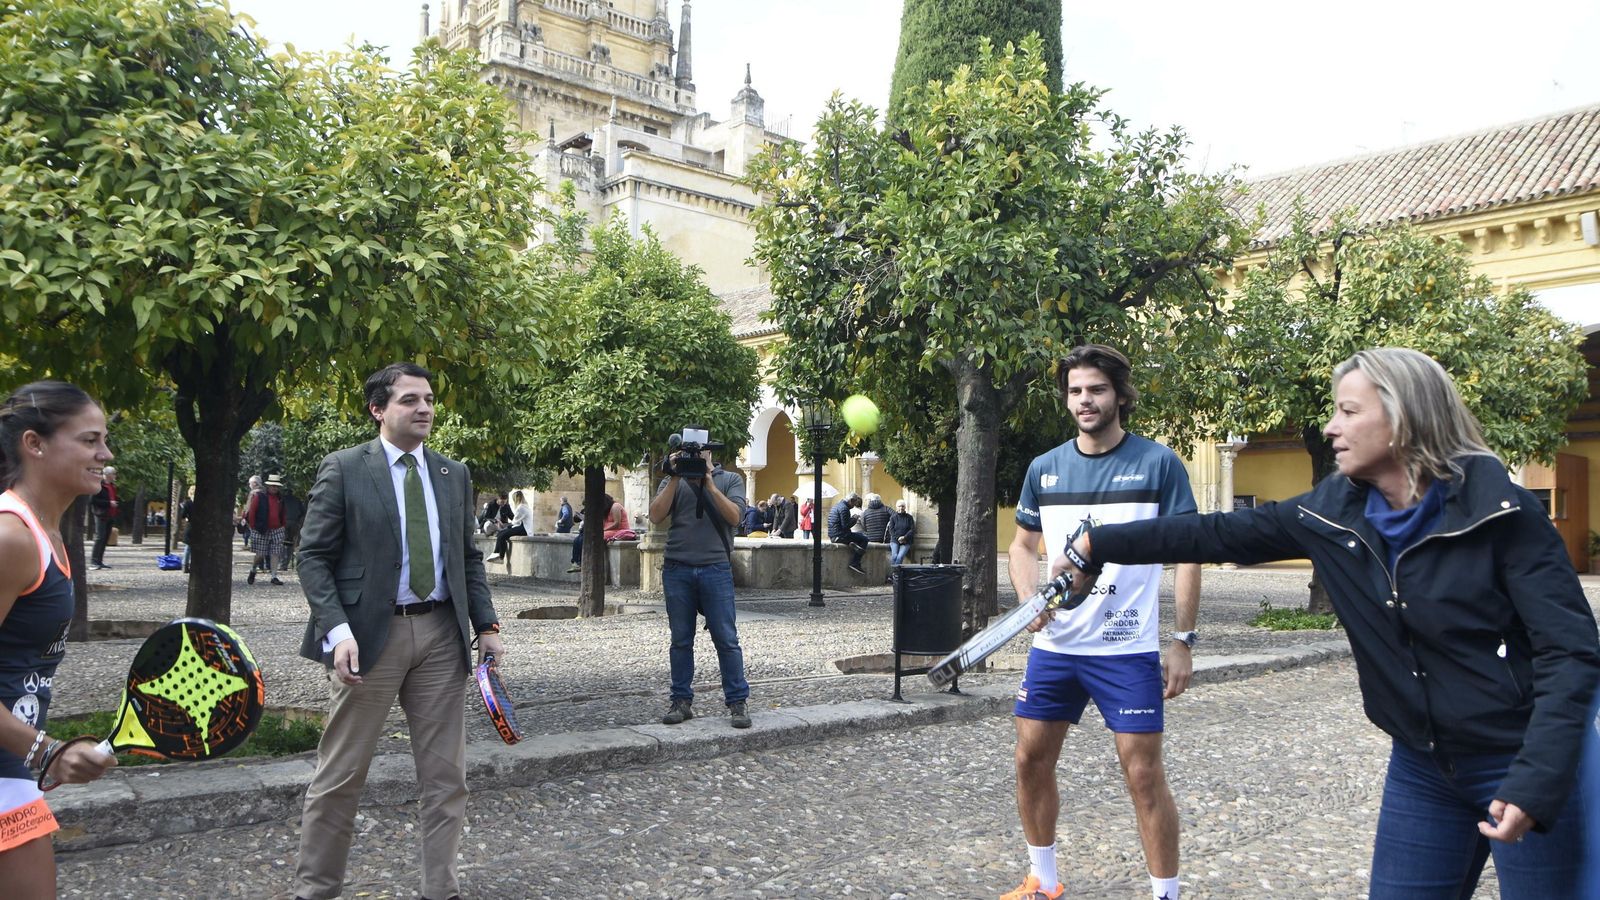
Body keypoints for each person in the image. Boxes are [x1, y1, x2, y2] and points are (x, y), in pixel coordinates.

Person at [1054, 347, 1600, 899]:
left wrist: (1538, 777)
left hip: (1525, 756)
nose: (1330, 426)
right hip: (1424, 763)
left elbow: (1571, 652)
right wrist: (1097, 543)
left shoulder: (1500, 512)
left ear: (1403, 418)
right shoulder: (1332, 511)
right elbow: (1215, 533)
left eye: (1348, 411)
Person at [293, 363, 503, 900]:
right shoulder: (344, 468)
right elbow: (313, 557)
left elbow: (468, 558)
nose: (425, 409)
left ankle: (442, 889)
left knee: (446, 777)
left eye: (429, 399)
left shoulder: (453, 473)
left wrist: (488, 625)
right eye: (410, 400)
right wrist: (336, 630)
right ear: (378, 409)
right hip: (366, 639)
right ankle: (316, 890)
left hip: (440, 635)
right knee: (340, 776)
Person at [1003, 344, 1201, 900]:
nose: (1084, 401)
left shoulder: (1158, 464)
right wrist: (1029, 600)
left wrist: (1182, 639)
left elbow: (1189, 552)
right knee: (1030, 760)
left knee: (1143, 776)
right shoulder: (1044, 469)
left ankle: (1166, 894)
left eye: (1096, 389)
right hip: (1058, 648)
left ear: (1118, 395)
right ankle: (1043, 880)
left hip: (1125, 650)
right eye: (1074, 391)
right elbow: (1021, 546)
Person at [0, 381, 119, 896]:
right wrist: (44, 751)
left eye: (105, 440)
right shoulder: (12, 537)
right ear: (35, 443)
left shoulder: (47, 533)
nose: (105, 454)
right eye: (90, 440)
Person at [649, 435, 751, 728]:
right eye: (687, 451)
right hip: (677, 569)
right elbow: (656, 516)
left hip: (715, 569)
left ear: (710, 452)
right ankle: (681, 701)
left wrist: (707, 482)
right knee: (680, 640)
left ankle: (737, 702)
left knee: (727, 639)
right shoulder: (673, 481)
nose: (693, 455)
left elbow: (734, 517)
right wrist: (673, 476)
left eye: (698, 451)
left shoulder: (729, 479)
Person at [245, 474, 289, 586]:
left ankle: (274, 576)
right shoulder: (260, 496)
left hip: (277, 529)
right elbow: (253, 511)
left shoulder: (280, 498)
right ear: (268, 486)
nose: (275, 488)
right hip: (262, 528)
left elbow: (283, 512)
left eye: (277, 486)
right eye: (273, 486)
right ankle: (253, 569)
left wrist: (283, 524)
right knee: (260, 554)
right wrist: (253, 526)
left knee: (276, 553)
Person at [567, 495, 629, 573]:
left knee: (594, 537)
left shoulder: (615, 506)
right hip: (607, 530)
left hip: (619, 530)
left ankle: (587, 562)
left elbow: (617, 523)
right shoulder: (605, 511)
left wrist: (602, 530)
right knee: (578, 539)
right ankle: (576, 562)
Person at [827, 492, 868, 575]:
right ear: (851, 501)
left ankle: (852, 544)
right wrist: (854, 519)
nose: (854, 505)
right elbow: (845, 526)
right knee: (864, 539)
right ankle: (855, 563)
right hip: (840, 535)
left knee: (855, 537)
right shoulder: (844, 509)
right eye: (854, 503)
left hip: (833, 534)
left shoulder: (837, 506)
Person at [486, 490, 531, 562]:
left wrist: (507, 527)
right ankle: (496, 554)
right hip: (522, 527)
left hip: (523, 528)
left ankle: (500, 556)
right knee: (501, 534)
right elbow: (515, 520)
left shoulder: (520, 508)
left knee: (502, 535)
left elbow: (515, 521)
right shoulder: (524, 506)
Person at [87, 464, 117, 569]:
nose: (115, 476)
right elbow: (93, 500)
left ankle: (99, 561)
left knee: (105, 538)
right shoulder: (98, 485)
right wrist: (109, 503)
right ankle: (94, 562)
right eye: (113, 474)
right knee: (100, 537)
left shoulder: (112, 486)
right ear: (108, 475)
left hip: (110, 515)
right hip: (101, 515)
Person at [886, 499, 915, 568]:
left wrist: (904, 537)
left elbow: (912, 529)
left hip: (906, 540)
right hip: (895, 540)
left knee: (900, 557)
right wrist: (898, 538)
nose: (901, 508)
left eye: (902, 506)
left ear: (905, 507)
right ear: (896, 507)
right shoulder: (893, 517)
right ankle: (895, 574)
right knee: (894, 556)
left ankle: (894, 574)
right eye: (899, 506)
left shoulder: (909, 517)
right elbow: (891, 530)